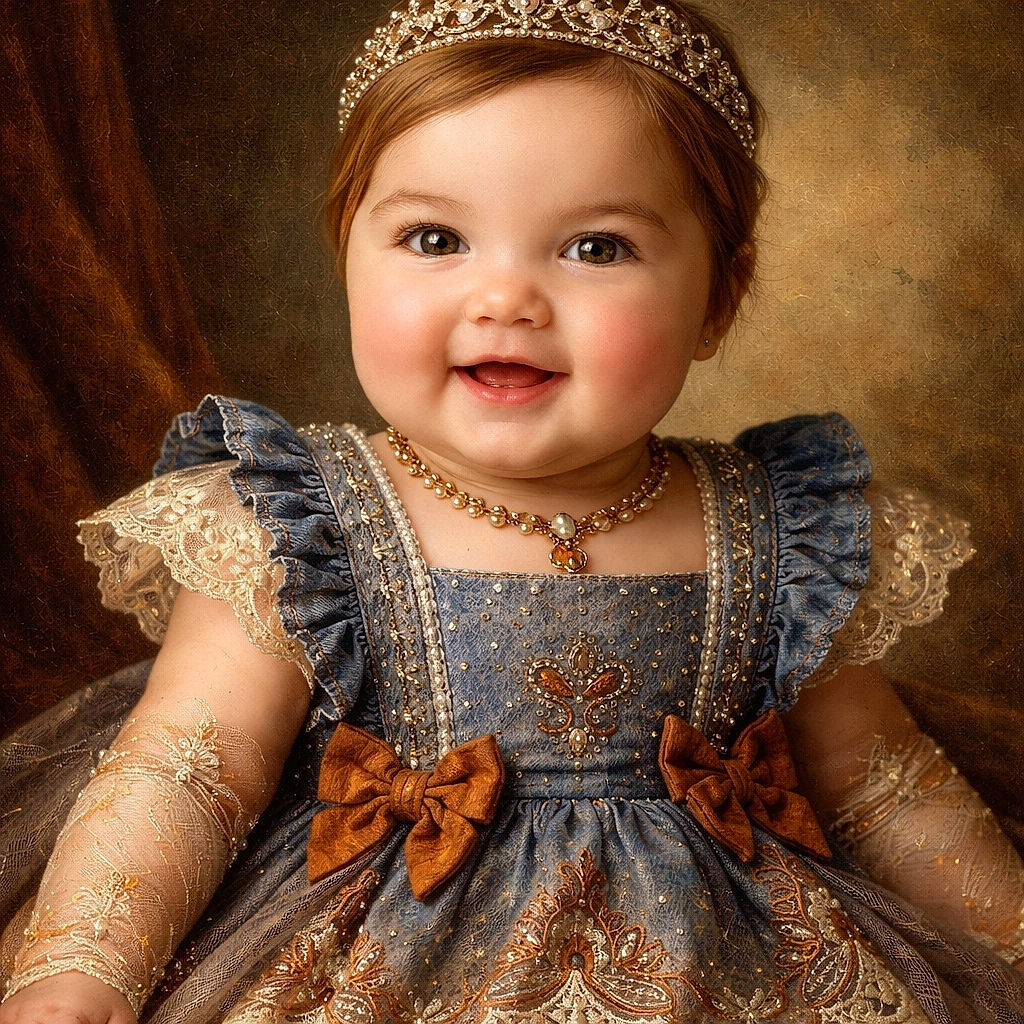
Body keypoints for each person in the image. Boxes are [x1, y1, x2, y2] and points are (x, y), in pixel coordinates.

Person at [1, 0, 1023, 1020]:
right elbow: (190, 768)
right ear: (345, 253)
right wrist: (73, 988)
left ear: (719, 295)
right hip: (377, 969)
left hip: (729, 971)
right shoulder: (300, 521)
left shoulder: (779, 526)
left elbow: (883, 786)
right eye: (434, 236)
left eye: (594, 249)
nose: (506, 299)